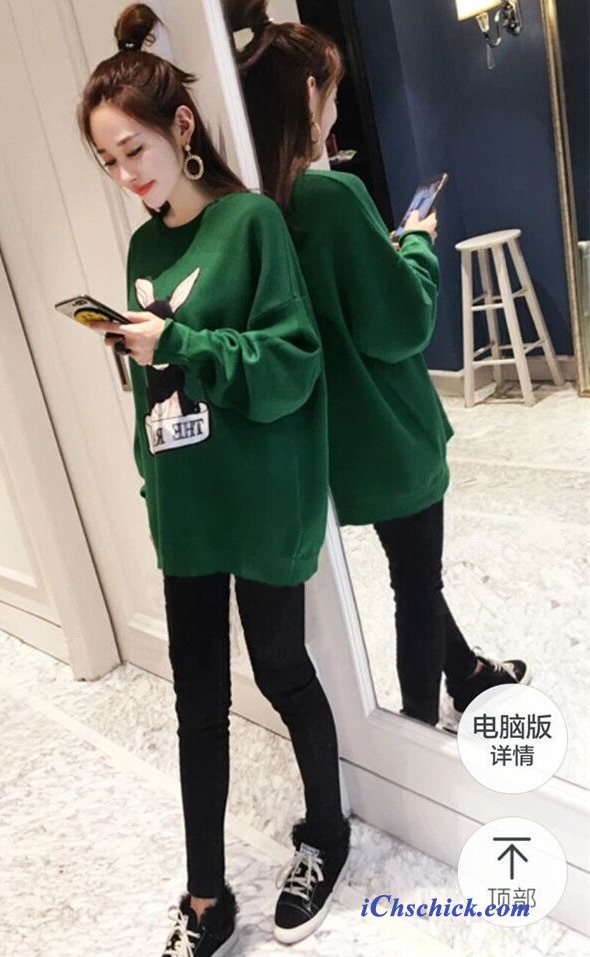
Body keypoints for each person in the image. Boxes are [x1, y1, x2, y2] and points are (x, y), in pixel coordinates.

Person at [77, 4, 349, 952]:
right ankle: (205, 899)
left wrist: (182, 342)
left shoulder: (251, 224)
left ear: (180, 127)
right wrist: (143, 366)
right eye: (108, 161)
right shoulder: (143, 249)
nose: (127, 175)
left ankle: (327, 832)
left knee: (281, 670)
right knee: (196, 699)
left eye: (135, 150)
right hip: (187, 506)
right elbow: (155, 394)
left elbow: (292, 365)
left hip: (261, 498)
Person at [225, 0, 529, 731]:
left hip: (334, 437)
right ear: (309, 93)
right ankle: (421, 732)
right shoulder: (332, 192)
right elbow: (402, 323)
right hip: (389, 430)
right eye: (330, 92)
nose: (333, 109)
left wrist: (379, 258)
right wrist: (417, 242)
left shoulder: (251, 208)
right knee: (416, 583)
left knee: (411, 569)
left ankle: (469, 674)